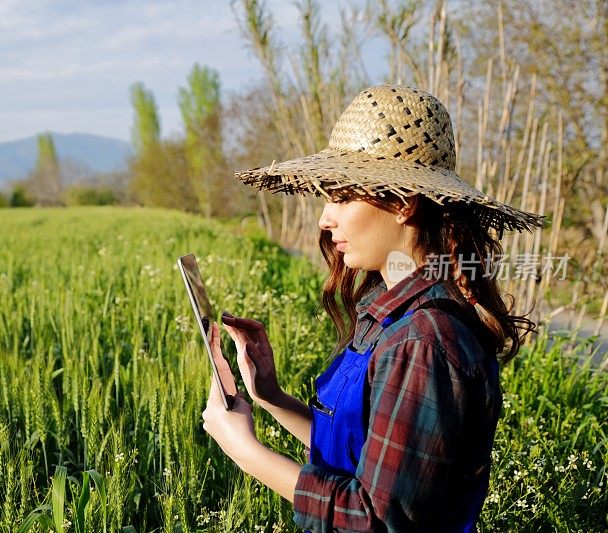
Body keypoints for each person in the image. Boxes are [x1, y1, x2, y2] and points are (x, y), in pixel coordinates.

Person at [200, 84, 546, 532]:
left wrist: (246, 451)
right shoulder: (395, 316)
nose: (325, 218)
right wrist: (271, 398)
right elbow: (371, 459)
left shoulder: (424, 342)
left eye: (341, 197)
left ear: (402, 203)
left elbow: (377, 519)